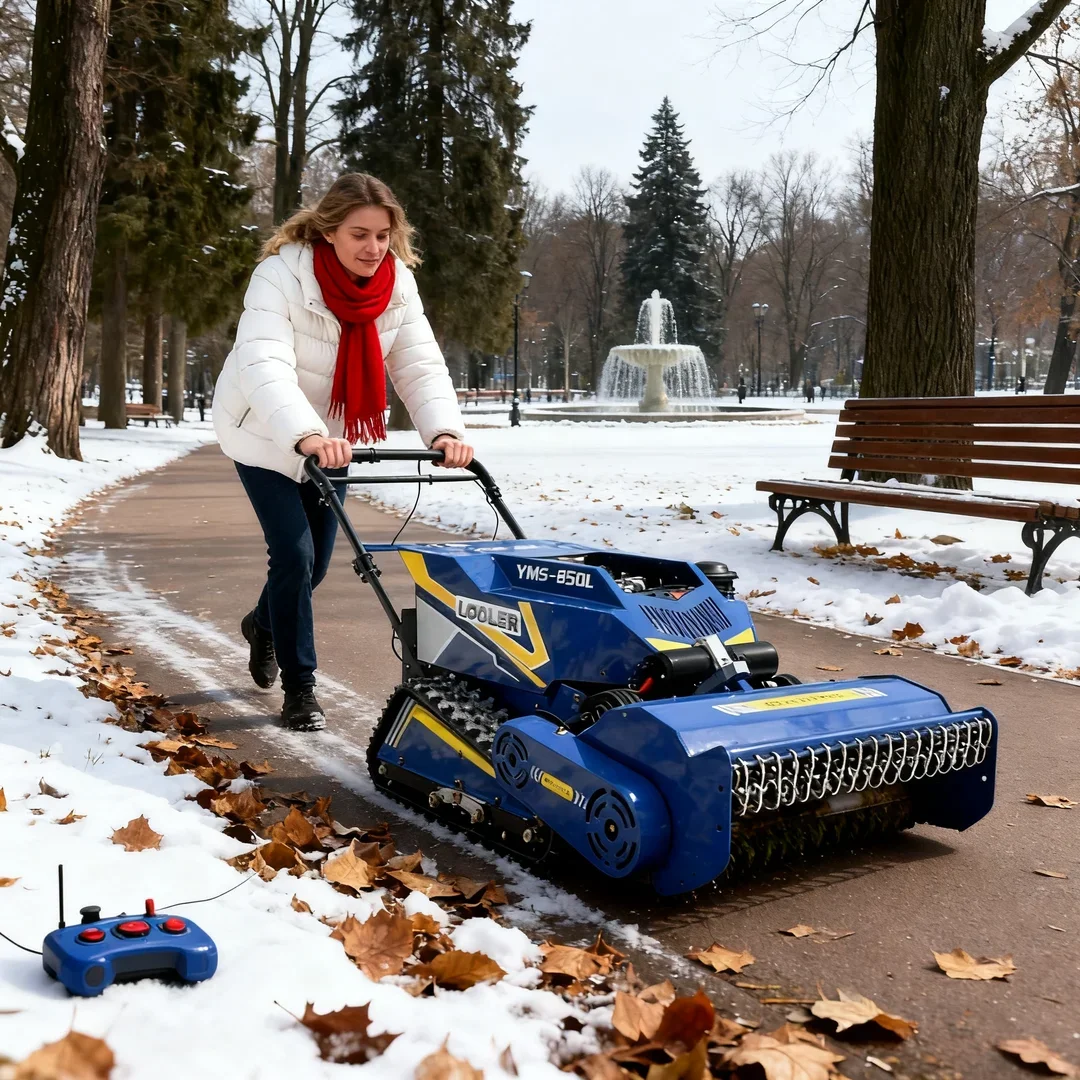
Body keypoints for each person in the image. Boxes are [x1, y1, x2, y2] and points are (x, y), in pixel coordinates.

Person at [213, 173, 473, 731]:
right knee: (294, 555)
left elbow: (418, 363)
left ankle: (263, 625)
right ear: (329, 230)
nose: (373, 247)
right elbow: (264, 363)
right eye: (360, 233)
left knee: (317, 565)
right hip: (264, 430)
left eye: (383, 235)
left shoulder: (396, 284)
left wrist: (443, 431)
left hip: (334, 439)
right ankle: (300, 687)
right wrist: (302, 434)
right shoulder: (279, 275)